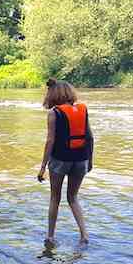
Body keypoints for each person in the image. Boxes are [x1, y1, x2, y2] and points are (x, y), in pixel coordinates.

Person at [37, 79, 94, 248]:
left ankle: (50, 236)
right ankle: (84, 235)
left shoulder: (54, 113)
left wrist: (42, 168)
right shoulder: (83, 109)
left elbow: (50, 141)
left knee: (55, 198)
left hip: (60, 160)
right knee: (73, 197)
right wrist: (90, 161)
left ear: (53, 94)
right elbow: (90, 137)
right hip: (81, 160)